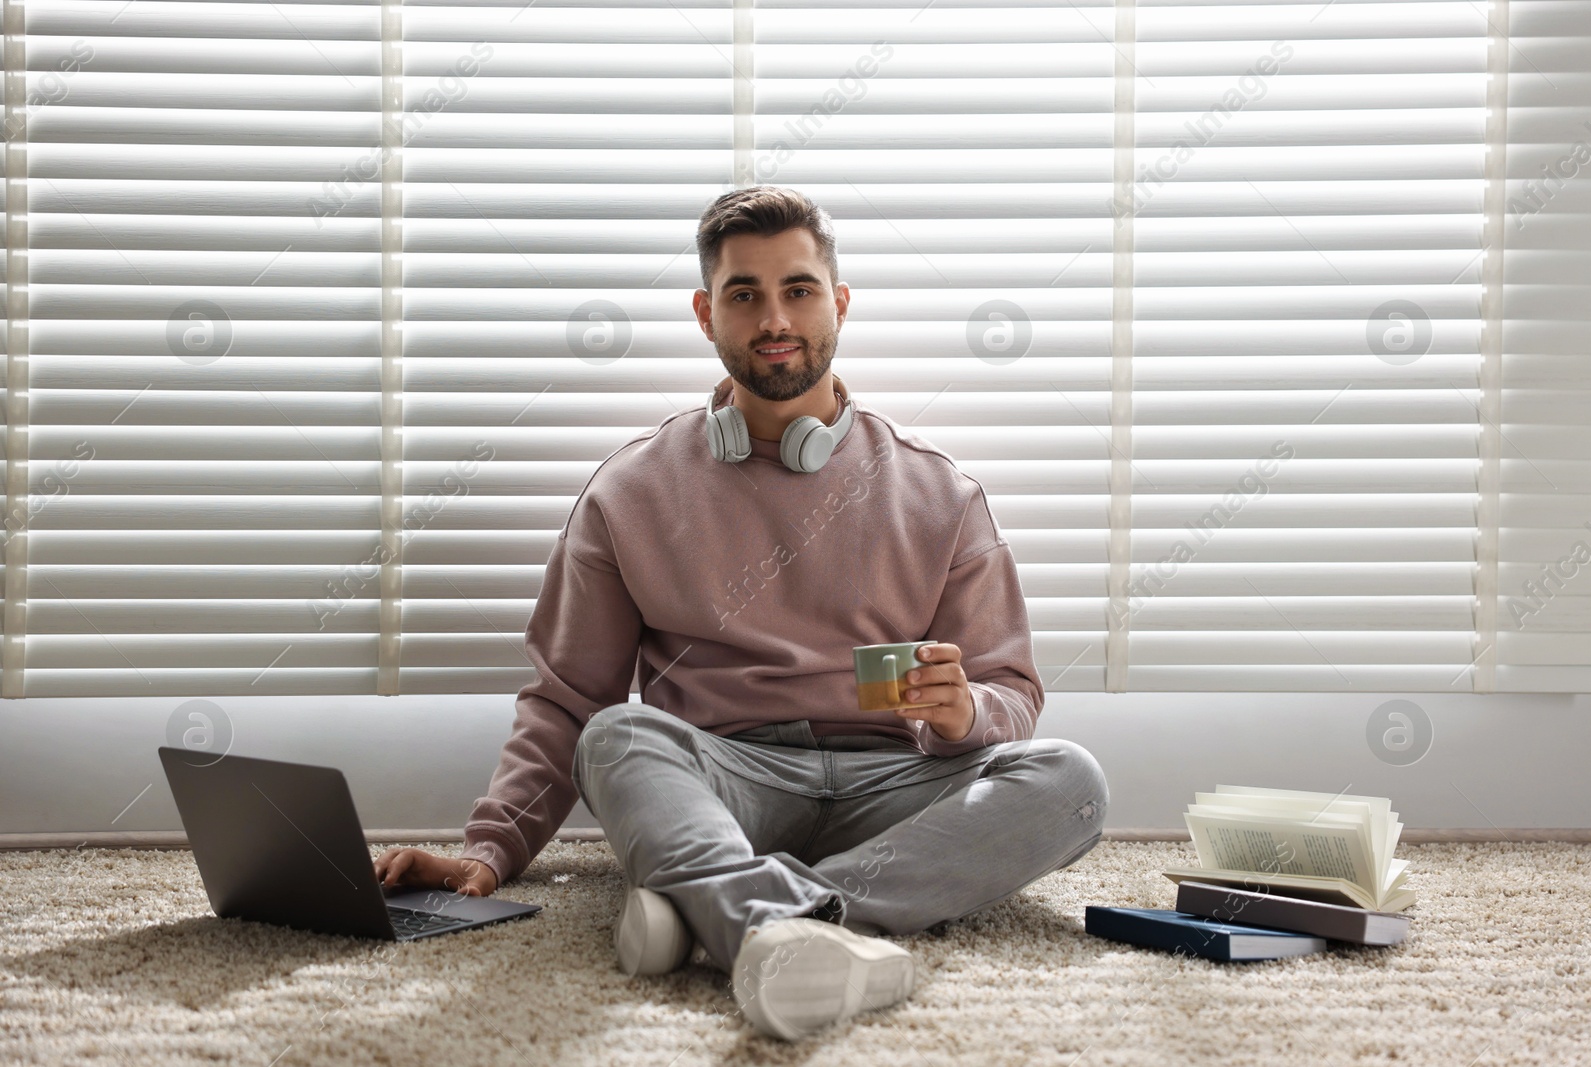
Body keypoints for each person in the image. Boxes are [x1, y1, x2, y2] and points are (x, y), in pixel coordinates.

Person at [374, 185, 1109, 1041]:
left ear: (838, 302)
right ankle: (784, 905)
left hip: (893, 779)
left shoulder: (941, 492)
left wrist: (964, 710)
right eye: (744, 294)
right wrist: (489, 848)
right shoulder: (632, 491)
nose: (774, 318)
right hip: (727, 776)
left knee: (1072, 783)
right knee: (617, 737)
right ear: (704, 313)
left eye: (798, 289)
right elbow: (568, 701)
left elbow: (1010, 689)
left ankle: (734, 911)